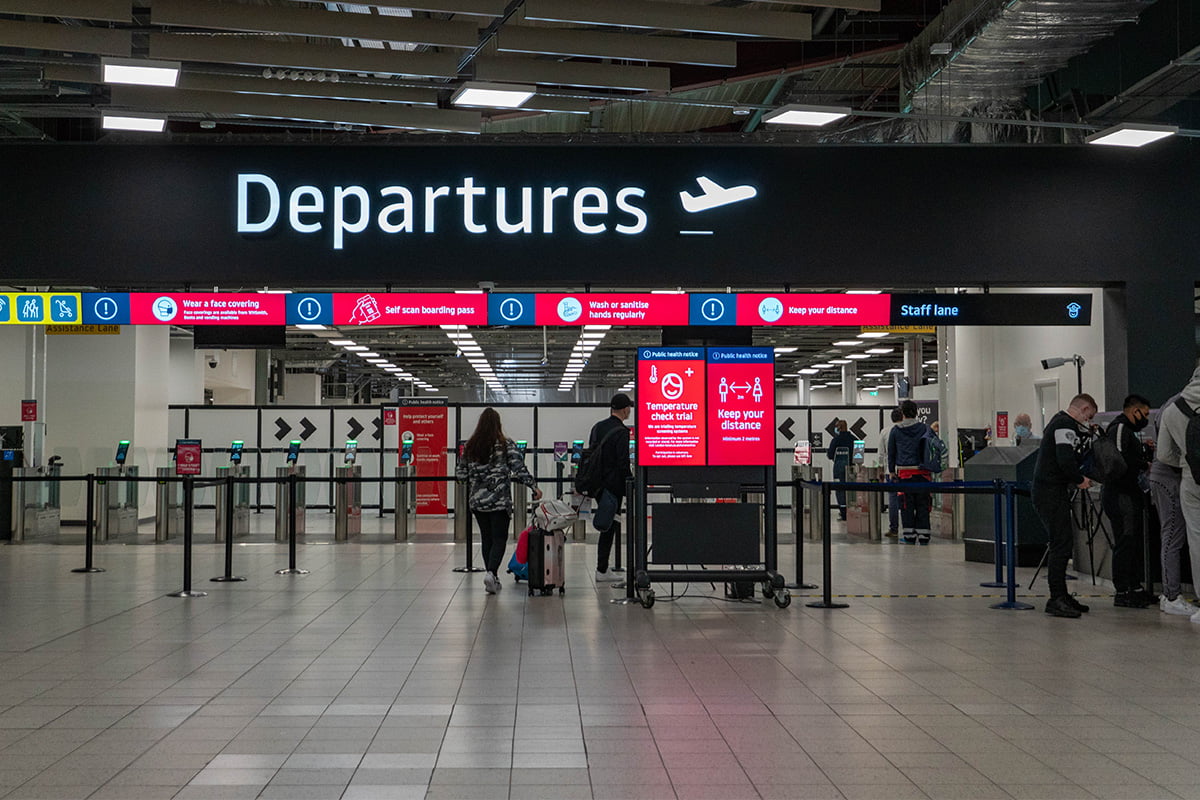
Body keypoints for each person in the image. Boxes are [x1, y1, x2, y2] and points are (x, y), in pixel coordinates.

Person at [455, 407, 542, 595]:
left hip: (478, 502)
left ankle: (491, 575)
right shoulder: (505, 444)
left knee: (487, 538)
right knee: (499, 538)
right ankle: (491, 573)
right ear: (498, 424)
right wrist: (533, 487)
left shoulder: (470, 447)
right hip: (499, 501)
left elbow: (460, 475)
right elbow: (519, 468)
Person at [1032, 393, 1097, 618]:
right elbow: (1065, 458)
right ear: (1085, 409)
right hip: (1049, 491)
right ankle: (1056, 598)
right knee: (1061, 544)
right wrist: (1080, 480)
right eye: (1090, 416)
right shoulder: (1063, 424)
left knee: (1064, 542)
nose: (1088, 421)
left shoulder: (1060, 423)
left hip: (1053, 490)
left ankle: (1062, 594)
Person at [1101, 394, 1156, 608]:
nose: (1146, 418)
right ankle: (1122, 590)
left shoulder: (1128, 431)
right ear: (1135, 411)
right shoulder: (1120, 429)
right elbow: (1118, 461)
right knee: (1125, 541)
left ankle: (1135, 587)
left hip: (1128, 495)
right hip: (1120, 495)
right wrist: (1142, 464)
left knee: (1132, 542)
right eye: (1145, 413)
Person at [1155, 365, 1200, 624]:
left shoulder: (1172, 409)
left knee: (1196, 541)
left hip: (1191, 479)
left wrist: (1185, 461)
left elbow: (1163, 455)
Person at [1149, 391, 1192, 616]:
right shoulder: (1181, 405)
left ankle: (1170, 594)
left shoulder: (1172, 402)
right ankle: (1172, 595)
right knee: (1173, 535)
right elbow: (1167, 453)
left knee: (1172, 536)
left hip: (1164, 476)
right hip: (1170, 477)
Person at [591, 393, 633, 583]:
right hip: (614, 486)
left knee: (606, 522)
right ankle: (602, 568)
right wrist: (630, 482)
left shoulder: (597, 427)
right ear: (625, 409)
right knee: (610, 524)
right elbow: (623, 463)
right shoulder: (622, 432)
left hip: (597, 485)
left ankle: (603, 567)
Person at [888, 400, 933, 544]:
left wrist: (891, 471)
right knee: (923, 505)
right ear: (916, 412)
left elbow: (891, 452)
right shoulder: (925, 428)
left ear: (902, 413)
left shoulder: (895, 430)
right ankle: (924, 536)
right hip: (923, 474)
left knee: (906, 505)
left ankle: (909, 536)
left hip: (904, 474)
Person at [876, 408, 904, 538]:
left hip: (890, 471)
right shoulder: (907, 430)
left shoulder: (885, 431)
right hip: (906, 469)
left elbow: (881, 454)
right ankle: (909, 527)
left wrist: (880, 469)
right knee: (907, 499)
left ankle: (894, 529)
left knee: (892, 499)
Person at [826, 420, 856, 521]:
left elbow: (830, 455)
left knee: (840, 490)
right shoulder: (853, 439)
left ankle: (843, 513)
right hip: (851, 468)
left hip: (838, 469)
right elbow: (858, 454)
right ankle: (852, 511)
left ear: (839, 428)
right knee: (851, 489)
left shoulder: (836, 440)